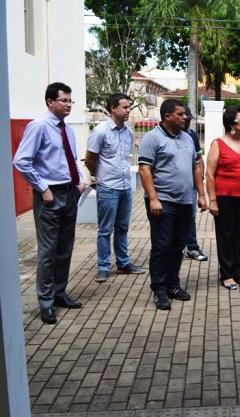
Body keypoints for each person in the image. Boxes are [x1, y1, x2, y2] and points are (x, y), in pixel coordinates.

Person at [13, 82, 86, 324]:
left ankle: (59, 293)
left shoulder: (68, 129)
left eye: (70, 101)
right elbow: (22, 161)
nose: (68, 105)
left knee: (65, 247)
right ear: (50, 102)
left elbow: (72, 159)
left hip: (69, 193)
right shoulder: (39, 127)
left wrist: (79, 180)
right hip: (49, 195)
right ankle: (45, 302)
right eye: (63, 100)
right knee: (48, 251)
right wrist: (42, 187)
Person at [138, 99, 207, 310]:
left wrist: (201, 194)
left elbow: (196, 166)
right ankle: (159, 288)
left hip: (185, 201)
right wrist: (153, 198)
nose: (185, 117)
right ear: (167, 116)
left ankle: (172, 284)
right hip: (163, 202)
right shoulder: (152, 138)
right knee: (162, 245)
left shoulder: (187, 137)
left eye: (185, 114)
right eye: (180, 114)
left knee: (178, 245)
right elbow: (144, 169)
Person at [85, 94, 145, 282]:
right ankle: (103, 266)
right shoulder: (100, 131)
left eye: (129, 107)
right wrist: (100, 178)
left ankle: (123, 263)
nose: (128, 110)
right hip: (108, 187)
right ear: (113, 108)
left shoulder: (128, 131)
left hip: (125, 187)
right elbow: (89, 159)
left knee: (123, 227)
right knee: (105, 230)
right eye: (125, 107)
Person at [206, 107, 240, 290]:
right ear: (231, 125)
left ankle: (238, 271)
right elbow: (210, 174)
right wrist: (212, 200)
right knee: (226, 236)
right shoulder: (218, 144)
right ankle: (227, 274)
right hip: (224, 197)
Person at [182, 107, 209, 262]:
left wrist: (201, 183)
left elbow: (199, 159)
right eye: (185, 118)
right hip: (171, 188)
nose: (187, 122)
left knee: (190, 217)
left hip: (191, 185)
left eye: (189, 119)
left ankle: (191, 247)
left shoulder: (191, 135)